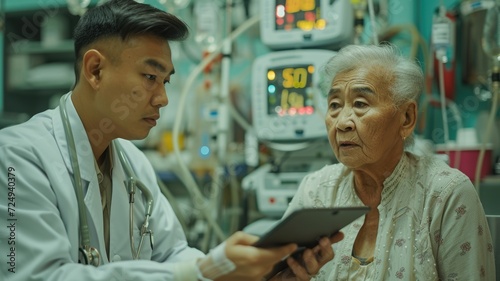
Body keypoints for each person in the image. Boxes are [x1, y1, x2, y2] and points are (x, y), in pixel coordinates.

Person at [0, 0, 341, 280]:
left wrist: (255, 271)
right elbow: (34, 275)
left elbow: (174, 253)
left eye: (165, 80)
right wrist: (202, 270)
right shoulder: (17, 158)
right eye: (150, 77)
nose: (163, 98)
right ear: (95, 70)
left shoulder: (134, 164)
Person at [271, 44, 496, 280]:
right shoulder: (316, 191)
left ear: (406, 118)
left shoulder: (445, 195)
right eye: (334, 105)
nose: (342, 123)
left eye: (360, 104)